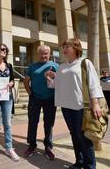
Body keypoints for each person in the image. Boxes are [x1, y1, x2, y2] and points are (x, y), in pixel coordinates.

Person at [45, 38, 104, 169]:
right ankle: (79, 161)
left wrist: (95, 103)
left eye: (67, 46)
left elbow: (94, 83)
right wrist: (49, 78)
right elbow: (57, 85)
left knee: (83, 136)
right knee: (74, 134)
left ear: (76, 48)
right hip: (66, 106)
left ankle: (89, 165)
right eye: (64, 47)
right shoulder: (62, 66)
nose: (64, 49)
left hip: (80, 106)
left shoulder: (85, 63)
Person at [23, 45, 58, 160]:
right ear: (38, 54)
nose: (44, 55)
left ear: (49, 54)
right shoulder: (33, 66)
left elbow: (61, 82)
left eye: (46, 53)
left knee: (49, 123)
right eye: (41, 53)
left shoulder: (55, 66)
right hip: (35, 98)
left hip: (50, 99)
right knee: (33, 122)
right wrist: (30, 93)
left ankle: (48, 147)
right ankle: (32, 145)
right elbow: (26, 81)